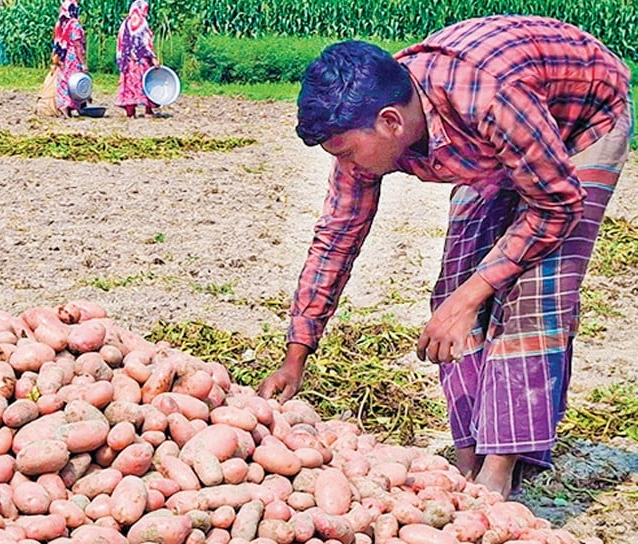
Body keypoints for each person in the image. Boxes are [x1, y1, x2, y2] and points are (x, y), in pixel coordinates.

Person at [257, 15, 631, 499]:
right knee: (455, 283)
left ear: (391, 122)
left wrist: (468, 300)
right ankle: (468, 455)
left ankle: (500, 469)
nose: (344, 166)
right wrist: (297, 354)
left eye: (346, 152)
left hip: (582, 121)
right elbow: (338, 236)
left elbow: (557, 205)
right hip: (492, 146)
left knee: (535, 288)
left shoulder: (488, 96)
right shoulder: (372, 130)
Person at [115, 0, 159, 118]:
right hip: (142, 60)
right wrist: (153, 58)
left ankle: (131, 112)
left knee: (129, 85)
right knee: (146, 82)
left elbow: (121, 43)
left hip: (128, 61)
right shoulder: (142, 23)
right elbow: (145, 43)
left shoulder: (125, 24)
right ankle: (148, 111)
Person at [51, 0, 87, 118]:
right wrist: (83, 63)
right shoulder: (75, 25)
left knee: (63, 82)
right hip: (72, 57)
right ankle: (71, 106)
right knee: (74, 82)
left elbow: (56, 42)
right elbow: (77, 46)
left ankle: (64, 108)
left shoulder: (60, 24)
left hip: (62, 58)